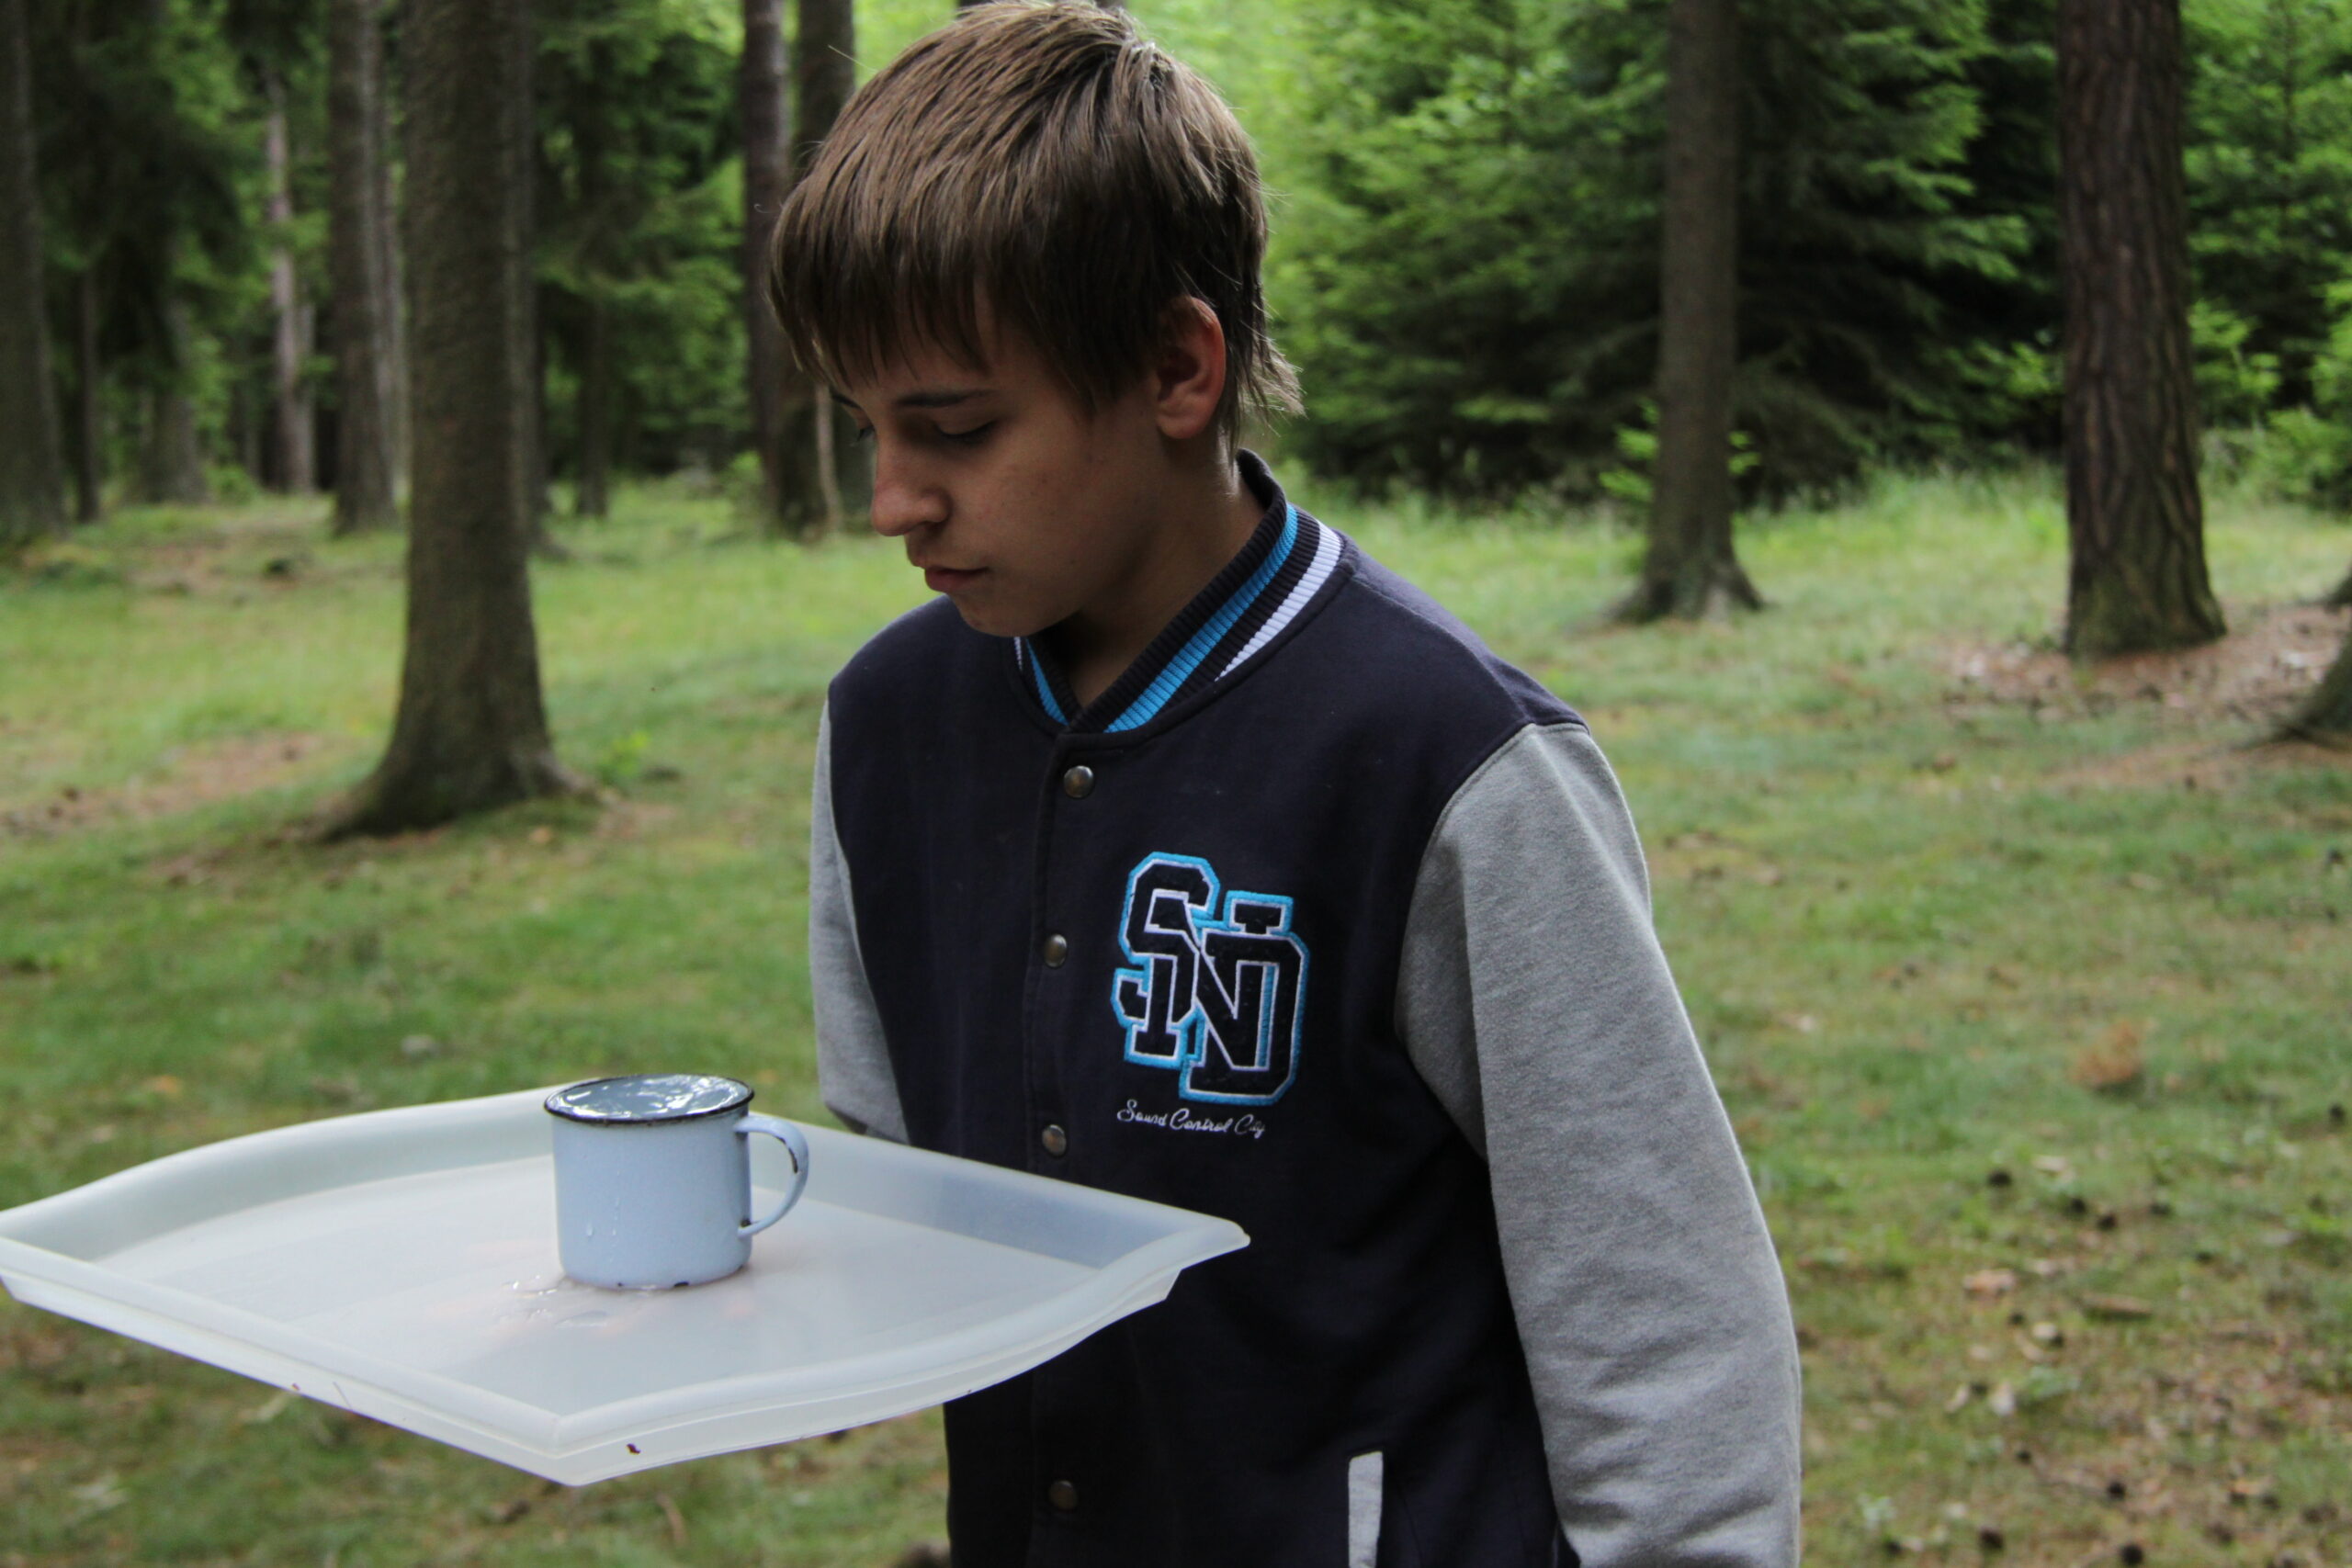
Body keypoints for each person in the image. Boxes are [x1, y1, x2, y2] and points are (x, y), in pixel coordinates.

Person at [768, 5, 1802, 1563]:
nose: (891, 499)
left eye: (955, 429)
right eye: (865, 427)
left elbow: (1663, 1323)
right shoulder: (885, 730)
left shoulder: (1450, 765)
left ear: (1176, 368)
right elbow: (906, 1198)